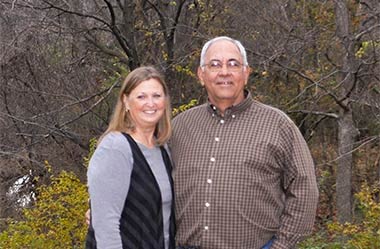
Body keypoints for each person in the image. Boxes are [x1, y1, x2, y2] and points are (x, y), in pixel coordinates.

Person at [170, 36, 319, 249]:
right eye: (214, 65)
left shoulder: (278, 125)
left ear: (246, 73)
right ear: (201, 75)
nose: (224, 72)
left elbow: (305, 189)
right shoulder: (179, 127)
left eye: (233, 64)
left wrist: (282, 245)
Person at [85, 66, 176, 249]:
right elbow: (106, 227)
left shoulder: (163, 149)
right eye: (141, 97)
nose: (150, 103)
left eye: (156, 96)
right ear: (126, 102)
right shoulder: (115, 148)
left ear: (165, 101)